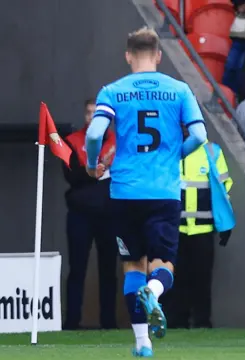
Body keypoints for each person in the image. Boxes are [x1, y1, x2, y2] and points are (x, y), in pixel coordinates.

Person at [85, 27, 208, 357]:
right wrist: (175, 155)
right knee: (163, 263)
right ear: (158, 55)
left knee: (132, 265)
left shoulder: (112, 91)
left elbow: (96, 132)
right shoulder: (179, 89)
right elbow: (199, 136)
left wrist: (91, 163)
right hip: (163, 190)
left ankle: (142, 343)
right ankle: (154, 291)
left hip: (124, 191)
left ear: (127, 56)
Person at [163, 125, 235, 328]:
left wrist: (225, 223)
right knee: (175, 278)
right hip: (174, 229)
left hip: (203, 229)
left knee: (202, 279)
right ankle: (177, 321)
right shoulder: (169, 150)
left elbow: (224, 189)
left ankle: (202, 322)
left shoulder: (211, 151)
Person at [62, 98, 117, 330]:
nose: (92, 118)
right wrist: (96, 170)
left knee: (109, 270)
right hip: (80, 214)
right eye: (88, 113)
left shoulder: (119, 142)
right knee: (77, 269)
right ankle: (72, 323)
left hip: (110, 215)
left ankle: (109, 323)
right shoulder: (72, 142)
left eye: (97, 114)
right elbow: (71, 176)